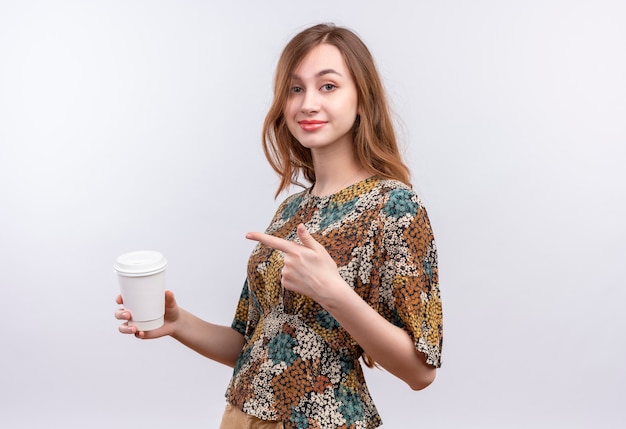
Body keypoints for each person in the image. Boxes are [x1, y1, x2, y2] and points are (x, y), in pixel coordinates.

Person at [115, 23, 443, 429]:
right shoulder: (290, 211)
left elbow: (421, 372)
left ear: (362, 99)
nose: (307, 104)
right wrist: (178, 322)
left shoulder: (394, 205)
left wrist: (332, 292)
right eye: (294, 89)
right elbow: (251, 343)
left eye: (327, 86)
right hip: (239, 416)